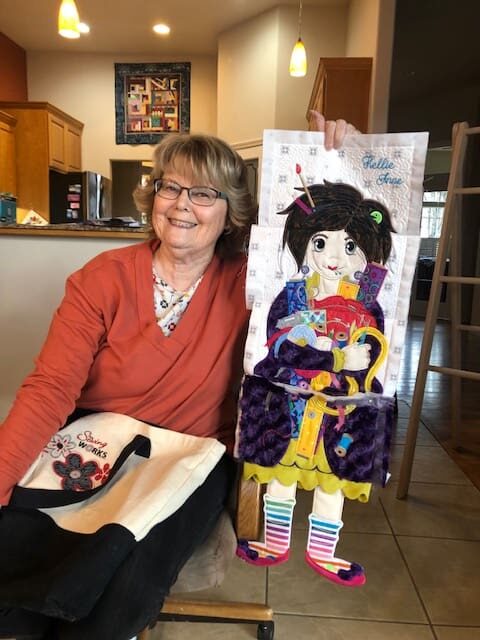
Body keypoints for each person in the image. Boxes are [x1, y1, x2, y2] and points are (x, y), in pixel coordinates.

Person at [0, 112, 353, 639]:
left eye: (204, 193)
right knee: (24, 552)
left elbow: (325, 259)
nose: (182, 203)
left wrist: (334, 164)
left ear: (231, 214)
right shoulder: (101, 279)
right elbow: (50, 389)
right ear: (154, 197)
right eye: (170, 187)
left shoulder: (257, 286)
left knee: (124, 580)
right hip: (95, 441)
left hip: (195, 455)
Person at [236, 181, 396, 587]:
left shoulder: (367, 305)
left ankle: (322, 551)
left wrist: (358, 361)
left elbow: (373, 357)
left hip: (338, 414)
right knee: (280, 475)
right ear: (304, 244)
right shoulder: (291, 297)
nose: (333, 258)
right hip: (289, 407)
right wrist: (335, 358)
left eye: (350, 246)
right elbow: (279, 348)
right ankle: (275, 542)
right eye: (321, 243)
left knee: (332, 483)